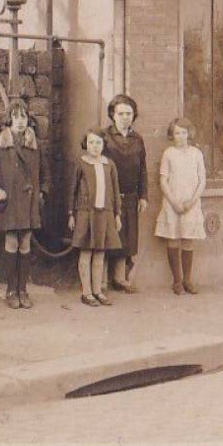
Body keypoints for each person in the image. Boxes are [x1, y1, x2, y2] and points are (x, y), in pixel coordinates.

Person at [0, 100, 47, 309]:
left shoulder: (35, 146)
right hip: (8, 203)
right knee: (11, 244)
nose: (20, 121)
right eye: (16, 117)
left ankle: (23, 290)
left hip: (28, 204)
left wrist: (41, 193)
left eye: (24, 117)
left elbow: (45, 175)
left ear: (28, 121)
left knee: (25, 245)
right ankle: (11, 290)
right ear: (9, 120)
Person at [67, 128, 123, 307]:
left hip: (104, 214)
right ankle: (86, 292)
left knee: (100, 253)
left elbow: (114, 191)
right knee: (86, 252)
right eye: (91, 142)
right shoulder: (81, 163)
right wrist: (71, 214)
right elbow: (72, 190)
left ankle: (98, 290)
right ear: (86, 144)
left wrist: (117, 215)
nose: (95, 146)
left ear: (103, 145)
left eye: (98, 142)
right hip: (85, 214)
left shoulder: (109, 165)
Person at [155, 117, 206, 295]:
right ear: (172, 134)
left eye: (184, 132)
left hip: (191, 203)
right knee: (173, 238)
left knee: (188, 240)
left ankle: (187, 280)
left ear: (189, 134)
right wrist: (174, 202)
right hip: (172, 202)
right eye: (177, 133)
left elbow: (202, 181)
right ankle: (176, 280)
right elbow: (163, 180)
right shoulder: (169, 153)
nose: (181, 136)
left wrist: (191, 201)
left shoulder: (196, 154)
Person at [103, 94, 148, 292]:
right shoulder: (104, 137)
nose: (125, 117)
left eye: (129, 113)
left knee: (126, 239)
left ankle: (119, 278)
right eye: (121, 113)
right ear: (113, 115)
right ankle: (101, 280)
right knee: (107, 237)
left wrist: (143, 196)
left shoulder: (137, 139)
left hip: (130, 196)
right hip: (109, 196)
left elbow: (143, 169)